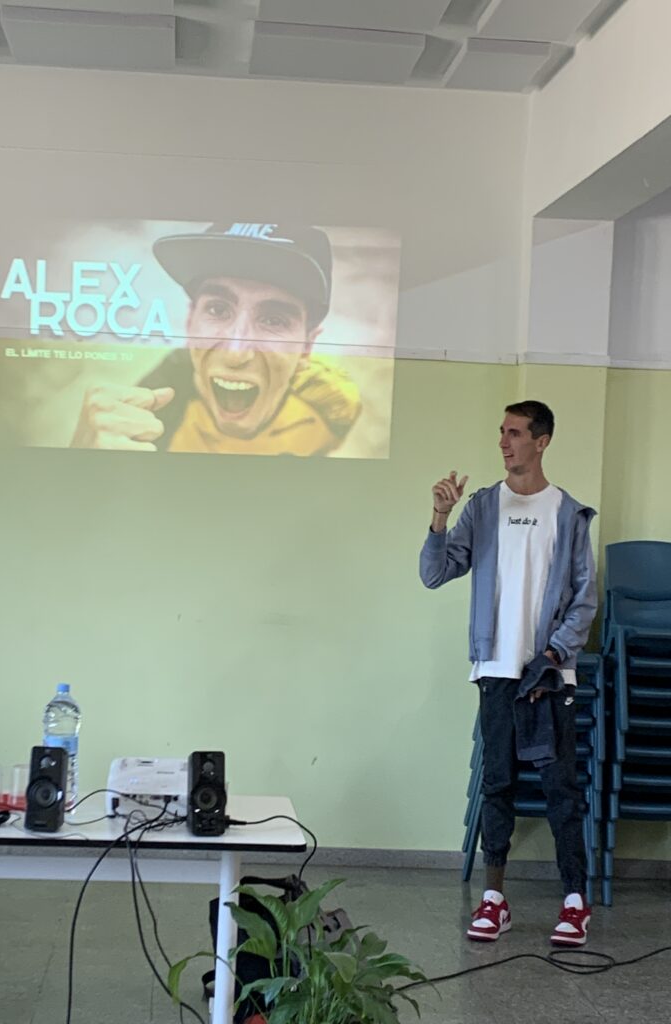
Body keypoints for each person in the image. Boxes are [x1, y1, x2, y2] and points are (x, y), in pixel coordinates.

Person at [419, 400, 597, 947]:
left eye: (515, 433)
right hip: (495, 669)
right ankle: (494, 900)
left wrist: (554, 656)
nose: (503, 442)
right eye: (501, 432)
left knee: (561, 789)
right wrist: (440, 518)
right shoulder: (482, 507)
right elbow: (434, 573)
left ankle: (575, 902)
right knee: (498, 784)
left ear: (541, 441)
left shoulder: (568, 513)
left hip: (548, 674)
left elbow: (584, 599)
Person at [70, 223, 360, 455]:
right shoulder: (161, 405)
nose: (235, 354)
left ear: (307, 347)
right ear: (189, 323)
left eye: (274, 320)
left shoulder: (334, 404)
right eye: (218, 310)